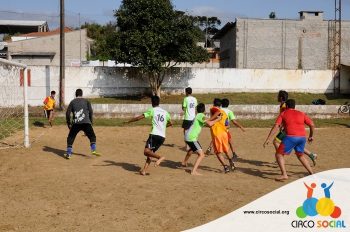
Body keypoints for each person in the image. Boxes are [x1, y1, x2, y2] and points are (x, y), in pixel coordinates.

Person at [263, 99, 315, 181]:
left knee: (279, 155)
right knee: (300, 155)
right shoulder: (301, 113)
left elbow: (276, 126)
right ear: (294, 106)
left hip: (291, 137)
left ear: (286, 106)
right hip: (302, 138)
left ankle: (284, 174)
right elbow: (312, 124)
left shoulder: (283, 113)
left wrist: (268, 138)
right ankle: (312, 173)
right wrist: (311, 136)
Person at [126, 95, 172, 176]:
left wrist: (129, 121)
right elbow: (171, 123)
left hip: (154, 135)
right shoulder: (166, 112)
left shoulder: (152, 110)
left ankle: (160, 157)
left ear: (152, 103)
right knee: (150, 153)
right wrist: (162, 127)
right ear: (159, 102)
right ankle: (144, 170)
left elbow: (138, 118)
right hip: (162, 137)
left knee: (146, 151)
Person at [273, 90, 318, 166]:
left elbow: (287, 116)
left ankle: (280, 157)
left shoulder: (284, 106)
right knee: (294, 145)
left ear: (281, 97)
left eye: (278, 96)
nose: (277, 97)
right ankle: (311, 155)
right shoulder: (283, 105)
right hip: (287, 129)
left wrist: (282, 126)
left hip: (288, 129)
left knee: (276, 142)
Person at [182, 103, 221, 176]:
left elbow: (208, 124)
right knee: (201, 155)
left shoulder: (198, 116)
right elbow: (209, 124)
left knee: (191, 149)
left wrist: (215, 119)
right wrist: (218, 119)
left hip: (188, 137)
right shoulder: (201, 115)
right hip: (191, 138)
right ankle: (193, 171)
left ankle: (184, 162)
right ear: (204, 110)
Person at [65, 89, 101, 159]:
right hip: (86, 123)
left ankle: (69, 153)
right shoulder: (87, 101)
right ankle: (93, 149)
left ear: (76, 94)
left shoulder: (72, 102)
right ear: (82, 94)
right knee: (92, 136)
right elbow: (91, 112)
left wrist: (68, 123)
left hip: (76, 123)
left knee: (71, 137)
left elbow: (67, 113)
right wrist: (91, 121)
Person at [208, 98, 234, 173]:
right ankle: (231, 162)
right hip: (224, 133)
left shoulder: (213, 109)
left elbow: (216, 112)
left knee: (218, 152)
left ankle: (226, 167)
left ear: (214, 103)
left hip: (217, 133)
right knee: (226, 150)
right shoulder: (224, 113)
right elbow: (228, 125)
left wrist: (209, 120)